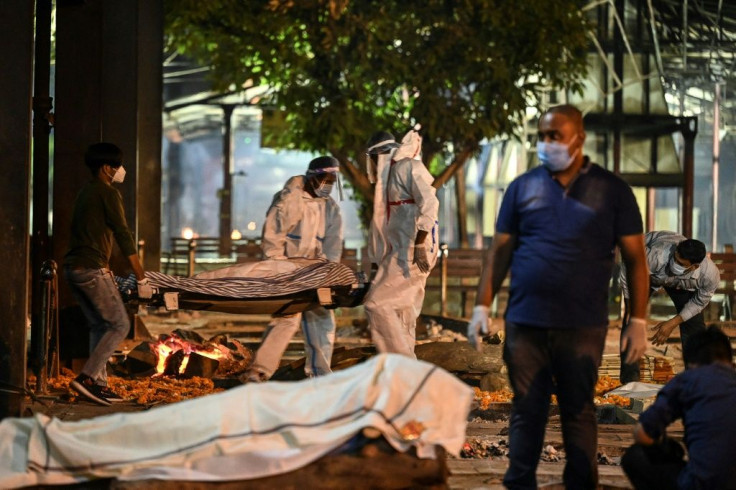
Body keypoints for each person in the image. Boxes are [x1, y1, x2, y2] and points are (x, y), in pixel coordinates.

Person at [466, 104, 650, 489]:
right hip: (526, 322)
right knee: (526, 410)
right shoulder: (523, 187)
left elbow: (636, 260)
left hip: (582, 324)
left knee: (578, 410)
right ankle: (520, 483)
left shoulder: (612, 191)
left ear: (579, 138)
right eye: (542, 135)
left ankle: (580, 484)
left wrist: (638, 320)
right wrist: (482, 304)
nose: (547, 143)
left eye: (556, 136)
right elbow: (500, 252)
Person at [64, 142, 152, 406]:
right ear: (106, 168)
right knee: (120, 324)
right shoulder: (107, 192)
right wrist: (141, 276)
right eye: (117, 166)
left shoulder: (86, 192)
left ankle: (98, 385)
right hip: (91, 267)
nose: (120, 170)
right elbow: (123, 234)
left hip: (74, 268)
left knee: (100, 325)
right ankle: (87, 378)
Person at [242, 156, 343, 382]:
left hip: (316, 272)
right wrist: (279, 268)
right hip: (287, 270)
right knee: (287, 318)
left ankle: (320, 375)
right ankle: (259, 371)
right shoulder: (288, 202)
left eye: (333, 181)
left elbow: (333, 245)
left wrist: (328, 272)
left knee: (322, 319)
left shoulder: (331, 208)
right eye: (326, 179)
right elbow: (273, 237)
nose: (329, 185)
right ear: (313, 178)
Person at [621, 325, 736, 489]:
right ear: (731, 363)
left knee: (635, 457)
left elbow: (642, 434)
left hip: (699, 484)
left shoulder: (687, 380)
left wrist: (665, 448)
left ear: (690, 364)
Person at [362, 126, 439, 358]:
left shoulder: (407, 167)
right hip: (401, 251)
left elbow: (430, 204)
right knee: (403, 315)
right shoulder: (391, 177)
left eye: (375, 159)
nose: (375, 165)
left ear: (379, 155)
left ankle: (404, 365)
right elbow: (385, 226)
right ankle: (406, 380)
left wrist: (419, 244)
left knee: (376, 304)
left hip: (412, 251)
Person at [619, 231, 721, 383]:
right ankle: (630, 379)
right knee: (631, 322)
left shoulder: (709, 275)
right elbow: (628, 272)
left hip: (683, 285)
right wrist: (630, 308)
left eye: (681, 264)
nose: (675, 264)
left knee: (695, 326)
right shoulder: (657, 255)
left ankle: (696, 379)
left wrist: (672, 323)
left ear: (694, 266)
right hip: (649, 275)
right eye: (675, 258)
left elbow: (699, 303)